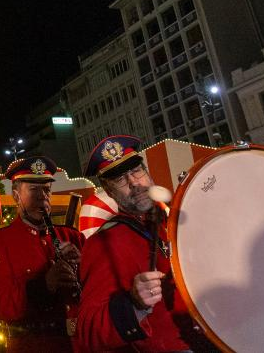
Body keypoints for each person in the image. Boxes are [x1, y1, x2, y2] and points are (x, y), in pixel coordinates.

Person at [74, 135, 208, 352]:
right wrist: (134, 304)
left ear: (147, 173)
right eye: (120, 180)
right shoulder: (104, 243)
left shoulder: (178, 220)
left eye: (137, 171)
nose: (134, 183)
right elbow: (88, 331)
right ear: (109, 191)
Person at [0, 155, 83, 352]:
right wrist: (44, 285)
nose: (42, 197)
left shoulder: (72, 236)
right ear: (16, 196)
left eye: (46, 189)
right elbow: (1, 306)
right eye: (34, 189)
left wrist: (82, 267)